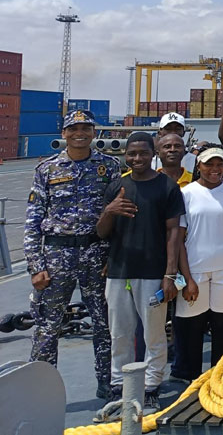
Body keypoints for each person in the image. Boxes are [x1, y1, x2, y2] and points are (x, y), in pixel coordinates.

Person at [24, 109, 119, 399]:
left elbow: (119, 215)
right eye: (74, 128)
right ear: (64, 134)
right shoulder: (47, 169)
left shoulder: (109, 167)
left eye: (86, 128)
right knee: (47, 327)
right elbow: (33, 218)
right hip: (56, 257)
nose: (80, 133)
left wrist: (113, 257)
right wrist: (35, 266)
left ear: (94, 132)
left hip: (96, 254)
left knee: (104, 324)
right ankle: (39, 389)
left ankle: (108, 383)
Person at [96, 132, 184, 411]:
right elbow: (101, 233)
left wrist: (169, 274)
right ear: (125, 155)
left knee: (154, 333)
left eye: (143, 153)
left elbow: (174, 234)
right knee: (119, 332)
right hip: (119, 271)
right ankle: (120, 383)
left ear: (153, 153)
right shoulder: (116, 186)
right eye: (131, 154)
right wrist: (109, 211)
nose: (137, 158)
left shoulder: (167, 187)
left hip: (152, 271)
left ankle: (150, 385)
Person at [172, 145, 223, 381]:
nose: (215, 169)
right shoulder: (186, 194)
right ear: (199, 166)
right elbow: (179, 239)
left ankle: (221, 374)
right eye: (209, 164)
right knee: (191, 324)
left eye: (220, 164)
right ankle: (190, 375)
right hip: (195, 268)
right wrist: (187, 278)